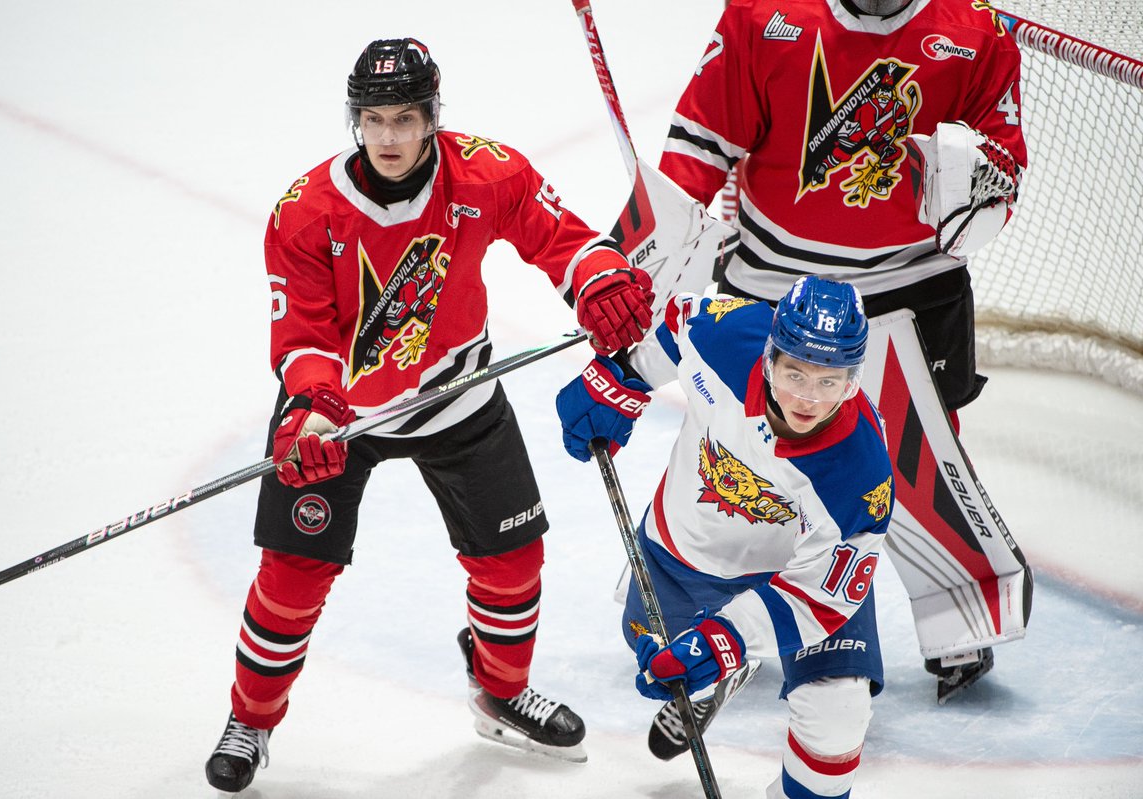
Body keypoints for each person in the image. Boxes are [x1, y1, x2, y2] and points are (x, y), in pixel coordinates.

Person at [202, 36, 656, 793]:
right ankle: (251, 716)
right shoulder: (306, 212)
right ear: (356, 119)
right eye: (374, 119)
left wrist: (599, 277)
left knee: (513, 565)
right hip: (338, 416)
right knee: (292, 573)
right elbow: (305, 336)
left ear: (431, 117)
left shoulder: (487, 171)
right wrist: (311, 416)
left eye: (405, 118)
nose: (388, 137)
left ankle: (501, 691)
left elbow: (563, 240)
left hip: (457, 392)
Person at [656, 0, 1028, 697]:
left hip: (915, 280)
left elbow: (1005, 161)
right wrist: (647, 256)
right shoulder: (763, 13)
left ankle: (957, 617)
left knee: (922, 459)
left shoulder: (977, 30)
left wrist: (977, 182)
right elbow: (698, 144)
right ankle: (716, 604)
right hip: (774, 276)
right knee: (742, 452)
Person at [557, 275, 894, 798]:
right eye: (795, 373)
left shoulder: (862, 472)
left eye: (829, 381)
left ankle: (734, 658)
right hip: (684, 553)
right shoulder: (728, 333)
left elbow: (818, 596)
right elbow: (673, 325)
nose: (807, 398)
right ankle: (722, 671)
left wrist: (729, 637)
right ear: (770, 357)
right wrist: (620, 382)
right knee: (661, 659)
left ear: (853, 379)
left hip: (794, 578)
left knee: (838, 714)